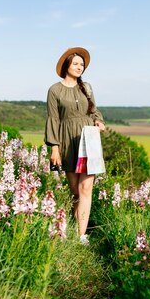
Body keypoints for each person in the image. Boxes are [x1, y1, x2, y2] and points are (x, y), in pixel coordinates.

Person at [45, 47, 105, 245]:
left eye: (82, 64)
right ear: (66, 65)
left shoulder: (86, 87)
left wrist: (98, 121)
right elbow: (53, 118)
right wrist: (54, 147)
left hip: (89, 138)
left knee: (86, 188)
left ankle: (81, 236)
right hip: (67, 140)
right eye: (76, 63)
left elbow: (94, 111)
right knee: (75, 192)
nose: (80, 67)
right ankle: (72, 226)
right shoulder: (55, 90)